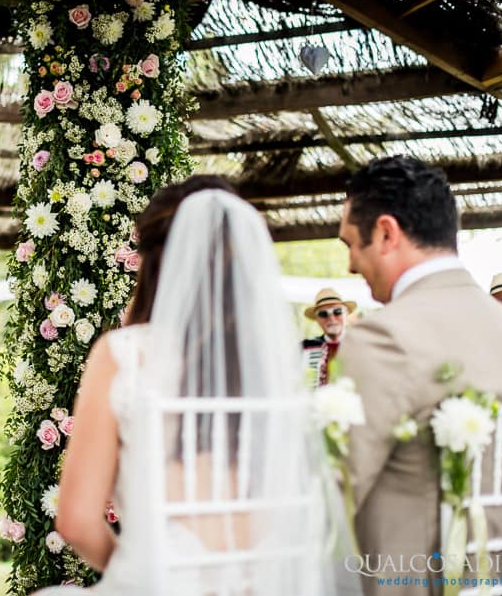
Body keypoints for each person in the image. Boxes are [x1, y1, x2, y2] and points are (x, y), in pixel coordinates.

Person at [35, 176, 358, 596]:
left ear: (151, 261)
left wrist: (144, 572)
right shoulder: (274, 363)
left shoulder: (124, 355)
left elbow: (76, 521)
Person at [338, 155, 502, 595]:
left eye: (349, 245)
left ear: (385, 233)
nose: (350, 266)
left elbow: (334, 493)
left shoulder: (381, 337)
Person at [301, 288, 356, 386]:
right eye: (323, 314)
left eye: (337, 311)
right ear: (317, 319)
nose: (331, 318)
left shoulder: (361, 343)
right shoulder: (306, 347)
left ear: (346, 313)